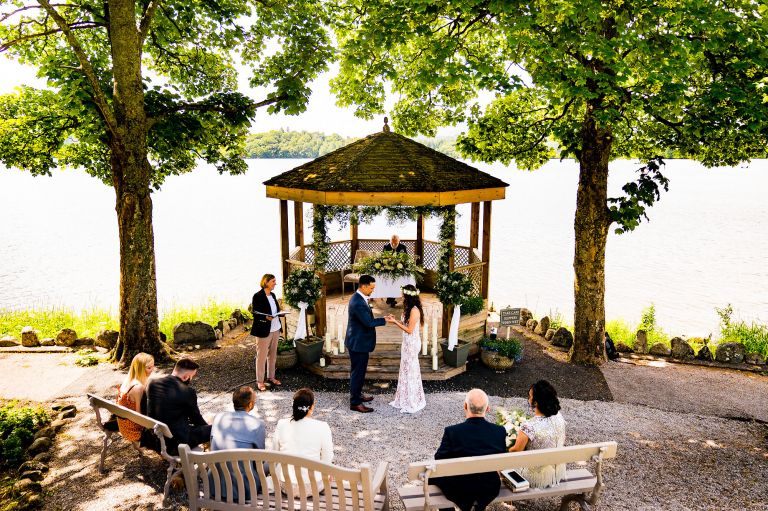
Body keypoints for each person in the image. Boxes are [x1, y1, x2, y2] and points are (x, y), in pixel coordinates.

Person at [431, 389, 507, 511]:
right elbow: (501, 461)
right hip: (488, 487)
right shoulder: (499, 431)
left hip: (459, 488)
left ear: (465, 406)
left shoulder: (452, 431)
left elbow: (439, 459)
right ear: (487, 409)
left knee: (432, 476)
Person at [209, 386, 266, 500]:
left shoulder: (219, 417)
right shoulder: (257, 424)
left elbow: (213, 446)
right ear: (250, 405)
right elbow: (260, 459)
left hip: (215, 486)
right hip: (245, 490)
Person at [508, 380, 567, 489]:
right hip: (557, 471)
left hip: (536, 476)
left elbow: (516, 452)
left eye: (530, 396)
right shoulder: (559, 416)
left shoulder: (528, 426)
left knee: (504, 464)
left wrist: (506, 448)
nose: (528, 398)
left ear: (536, 402)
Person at [145, 357, 211, 454]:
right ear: (185, 377)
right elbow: (196, 420)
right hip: (177, 442)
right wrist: (208, 427)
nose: (191, 379)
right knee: (215, 428)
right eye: (191, 376)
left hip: (155, 438)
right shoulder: (187, 392)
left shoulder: (152, 383)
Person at [273, 388, 333, 494]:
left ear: (293, 406)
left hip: (286, 486)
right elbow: (327, 458)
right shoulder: (322, 427)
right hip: (313, 487)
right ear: (312, 407)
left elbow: (274, 455)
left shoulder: (282, 424)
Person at [345, 274, 388, 413]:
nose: (372, 290)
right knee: (358, 373)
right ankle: (355, 403)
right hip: (358, 343)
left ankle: (357, 394)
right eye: (371, 288)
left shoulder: (359, 298)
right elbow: (368, 323)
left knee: (358, 372)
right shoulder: (357, 302)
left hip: (358, 341)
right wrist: (385, 320)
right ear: (363, 286)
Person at [386, 284, 426, 413]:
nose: (401, 296)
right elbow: (406, 324)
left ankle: (413, 400)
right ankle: (404, 397)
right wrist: (395, 319)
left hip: (412, 343)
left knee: (411, 369)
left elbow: (409, 330)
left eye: (403, 294)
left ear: (407, 296)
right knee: (406, 369)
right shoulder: (409, 308)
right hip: (407, 342)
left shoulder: (414, 310)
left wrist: (395, 323)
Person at [251, 273, 283, 392]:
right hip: (264, 330)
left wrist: (280, 314)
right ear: (266, 282)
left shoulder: (273, 295)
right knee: (261, 357)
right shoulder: (257, 296)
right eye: (273, 281)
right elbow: (255, 313)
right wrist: (265, 318)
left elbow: (275, 311)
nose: (275, 283)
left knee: (273, 355)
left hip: (276, 328)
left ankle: (271, 377)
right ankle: (260, 381)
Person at [116, 352, 155, 442]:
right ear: (140, 369)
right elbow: (139, 416)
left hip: (123, 425)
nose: (152, 370)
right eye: (149, 368)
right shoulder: (138, 387)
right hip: (133, 431)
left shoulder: (128, 381)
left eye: (153, 366)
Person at [382, 235, 407, 305]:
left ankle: (390, 299)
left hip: (400, 268)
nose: (393, 244)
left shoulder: (403, 247)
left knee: (397, 280)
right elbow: (383, 258)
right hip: (388, 268)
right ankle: (391, 299)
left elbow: (406, 258)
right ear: (390, 241)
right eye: (392, 243)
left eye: (395, 243)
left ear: (399, 241)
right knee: (391, 281)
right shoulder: (386, 246)